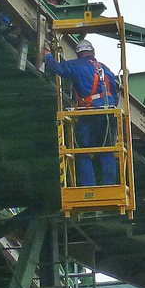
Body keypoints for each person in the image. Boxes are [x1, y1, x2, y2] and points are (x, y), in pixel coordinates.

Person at [43, 39, 121, 187]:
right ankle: (109, 186)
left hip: (90, 114)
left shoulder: (77, 65)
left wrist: (48, 56)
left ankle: (88, 186)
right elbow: (115, 96)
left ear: (79, 54)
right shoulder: (105, 69)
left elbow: (56, 69)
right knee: (107, 151)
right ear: (93, 53)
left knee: (83, 151)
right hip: (109, 114)